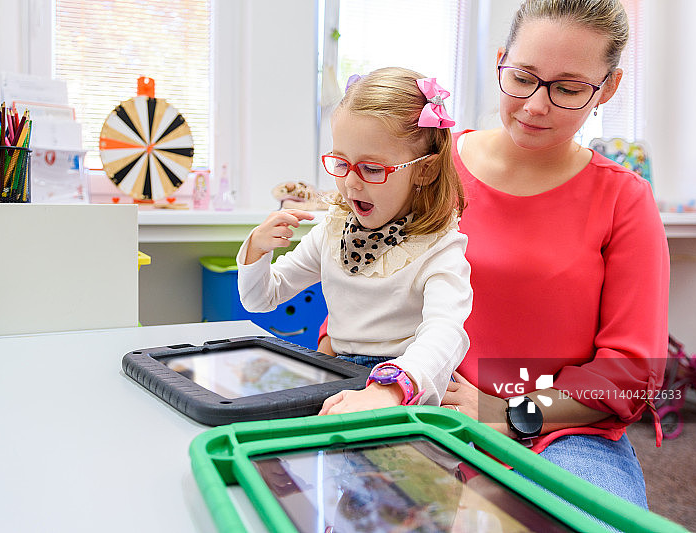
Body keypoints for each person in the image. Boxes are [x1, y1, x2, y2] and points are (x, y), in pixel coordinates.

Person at [318, 0, 668, 510]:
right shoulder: (431, 166)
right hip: (407, 401)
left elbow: (632, 371)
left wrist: (507, 411)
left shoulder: (623, 200)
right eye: (523, 77)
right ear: (502, 60)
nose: (535, 105)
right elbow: (365, 269)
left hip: (558, 431)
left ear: (607, 89)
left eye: (568, 89)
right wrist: (342, 358)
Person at [237, 67, 472, 415]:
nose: (350, 183)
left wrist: (392, 388)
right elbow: (261, 299)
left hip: (408, 383)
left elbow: (444, 334)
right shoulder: (333, 231)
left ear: (426, 169)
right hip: (339, 374)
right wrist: (257, 250)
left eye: (372, 169)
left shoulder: (439, 248)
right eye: (341, 163)